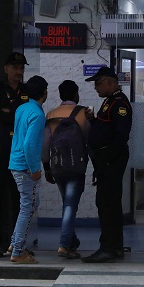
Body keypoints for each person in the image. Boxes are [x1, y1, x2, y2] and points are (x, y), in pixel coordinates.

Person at [82, 66, 133, 263]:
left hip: (111, 161)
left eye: (98, 83)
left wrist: (106, 160)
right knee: (106, 203)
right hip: (106, 161)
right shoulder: (109, 101)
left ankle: (109, 248)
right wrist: (93, 120)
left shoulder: (119, 104)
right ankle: (114, 247)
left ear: (110, 83)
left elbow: (121, 136)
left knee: (108, 204)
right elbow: (106, 130)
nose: (95, 87)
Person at [0, 52, 30, 258]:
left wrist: (8, 112)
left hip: (17, 148)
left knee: (17, 196)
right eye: (15, 67)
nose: (19, 71)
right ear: (6, 69)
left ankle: (15, 242)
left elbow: (25, 117)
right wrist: (14, 114)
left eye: (21, 68)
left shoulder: (26, 91)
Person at [43, 79, 90, 259]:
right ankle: (64, 244)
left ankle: (71, 240)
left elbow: (45, 144)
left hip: (57, 166)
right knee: (70, 204)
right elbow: (90, 139)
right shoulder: (83, 113)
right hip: (76, 166)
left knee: (67, 203)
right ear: (76, 94)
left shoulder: (51, 115)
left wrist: (46, 166)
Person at [8, 74, 49, 264]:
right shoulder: (38, 114)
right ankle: (18, 251)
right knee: (28, 208)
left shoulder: (21, 108)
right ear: (45, 92)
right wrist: (35, 169)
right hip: (26, 167)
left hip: (15, 163)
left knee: (31, 203)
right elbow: (30, 144)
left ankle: (14, 243)